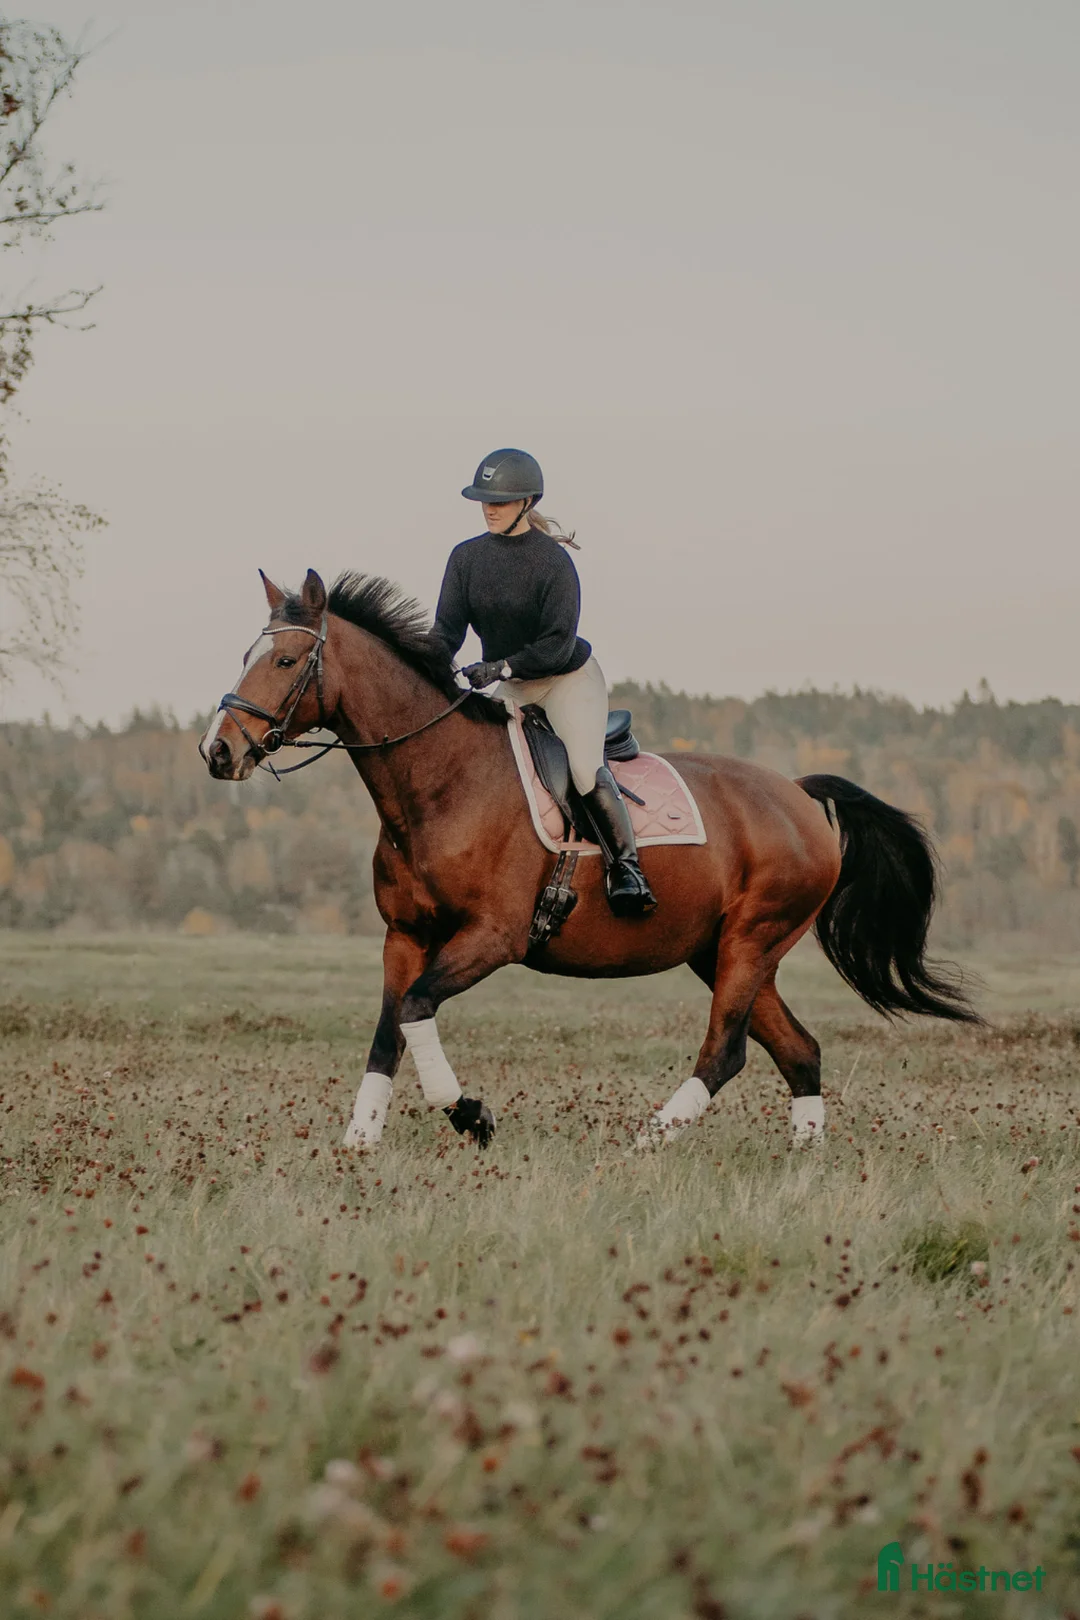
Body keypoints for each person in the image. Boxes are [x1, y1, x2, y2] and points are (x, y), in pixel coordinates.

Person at [430, 447, 657, 918]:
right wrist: (422, 671)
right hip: (513, 684)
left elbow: (556, 644)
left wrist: (499, 669)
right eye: (484, 500)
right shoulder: (465, 558)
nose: (490, 508)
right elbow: (446, 633)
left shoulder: (552, 563)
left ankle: (627, 869)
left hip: (566, 679)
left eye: (501, 500)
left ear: (528, 502)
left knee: (581, 768)